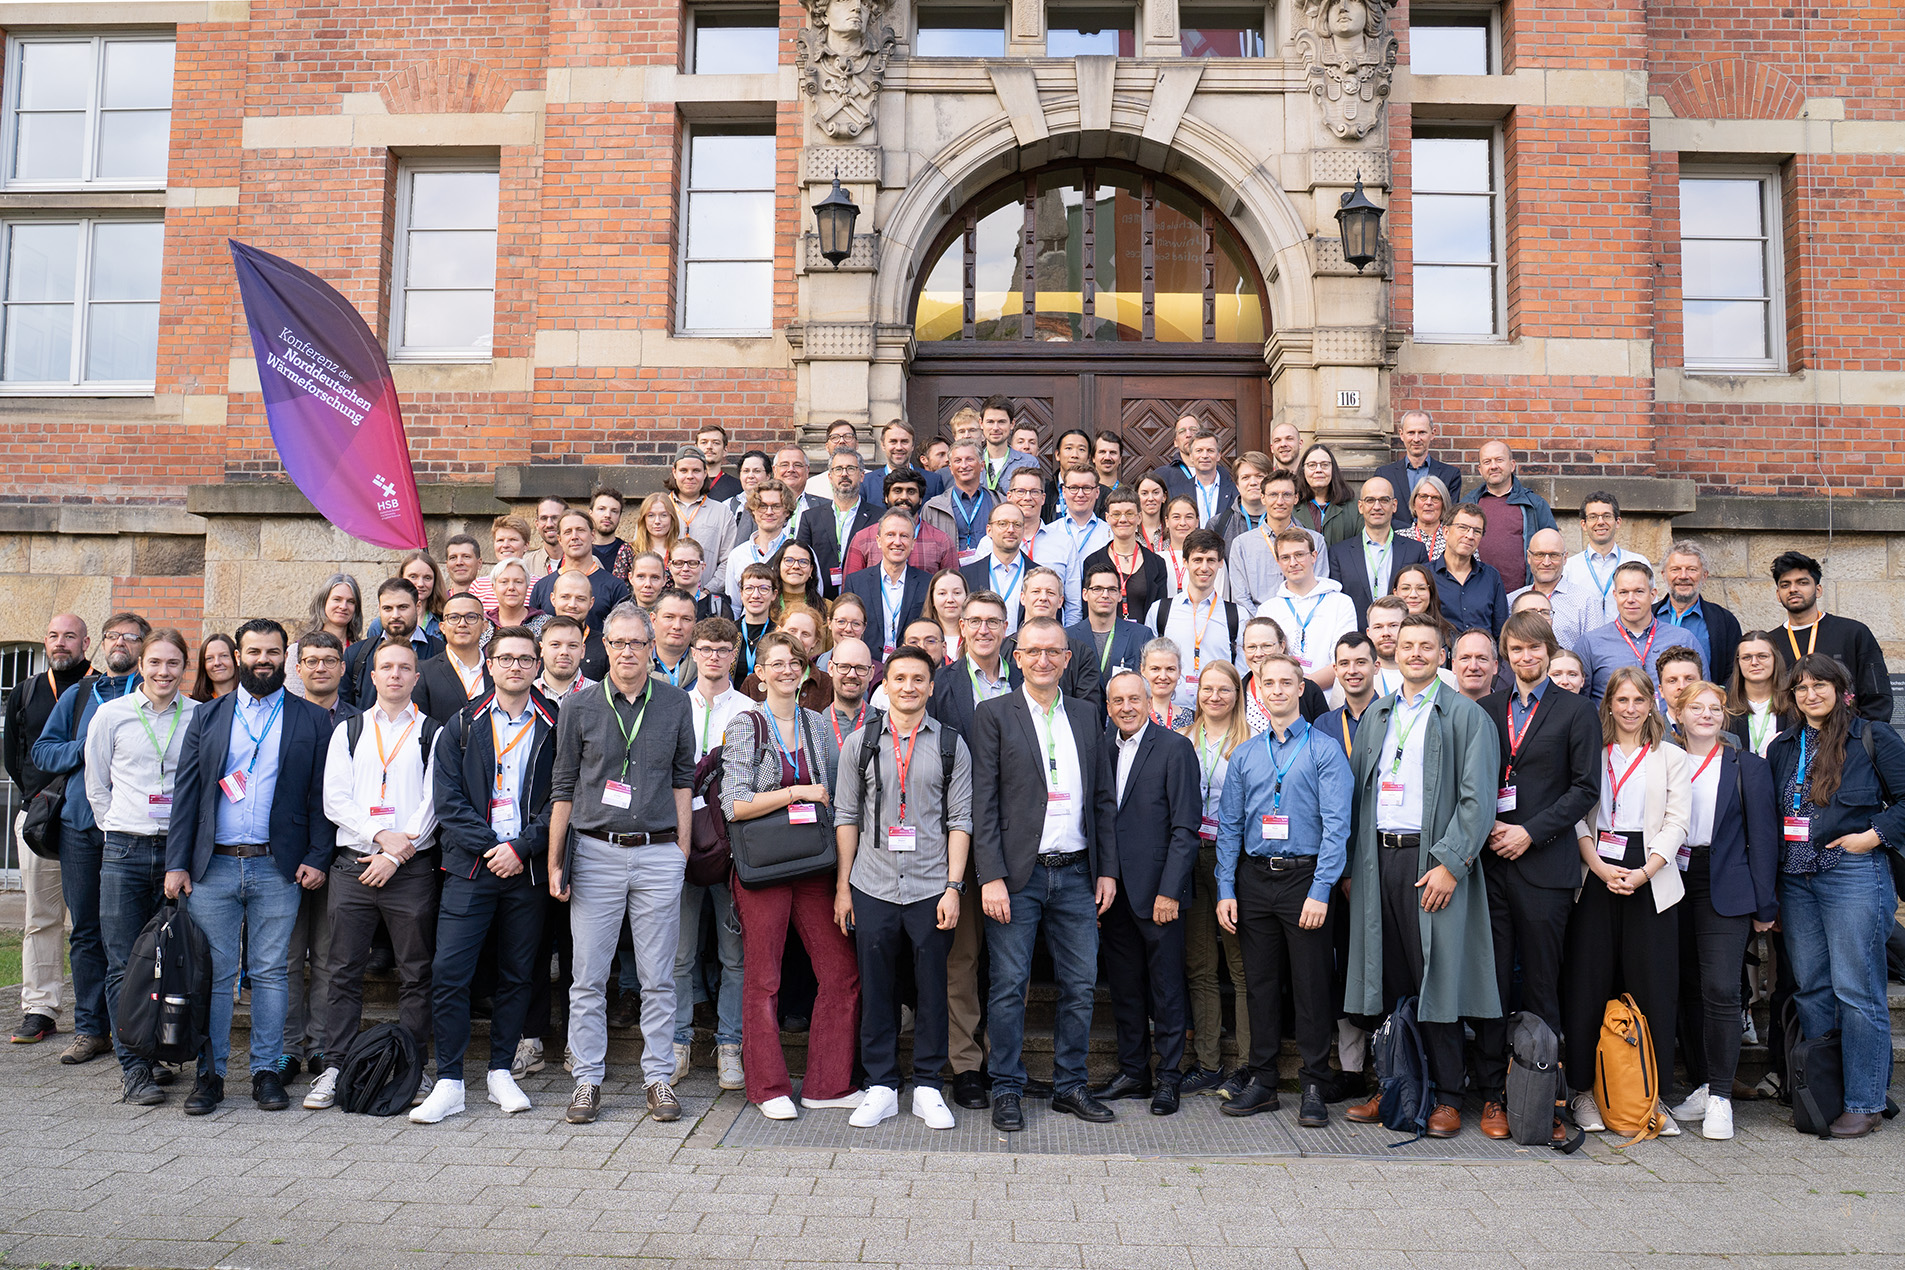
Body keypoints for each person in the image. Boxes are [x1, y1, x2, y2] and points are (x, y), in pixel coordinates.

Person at [163, 618, 333, 1115]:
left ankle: (265, 1072)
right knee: (214, 975)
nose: (264, 660)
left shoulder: (311, 719)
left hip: (277, 868)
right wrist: (177, 863)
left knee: (272, 973)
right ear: (238, 656)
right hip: (212, 867)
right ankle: (210, 1075)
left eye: (273, 652)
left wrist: (316, 857)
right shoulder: (208, 716)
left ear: (286, 658)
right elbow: (187, 794)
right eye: (254, 651)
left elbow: (322, 796)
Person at [1343, 614, 1501, 1139]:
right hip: (1378, 861)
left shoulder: (1465, 716)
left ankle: (1449, 1097)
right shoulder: (1378, 714)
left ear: (1442, 655)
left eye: (1426, 646)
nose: (1414, 653)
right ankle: (1394, 1086)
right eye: (1406, 645)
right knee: (1390, 979)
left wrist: (1450, 865)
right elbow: (1359, 795)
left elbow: (1478, 803)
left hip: (1431, 863)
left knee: (1440, 981)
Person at [546, 602, 696, 1126]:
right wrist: (554, 861)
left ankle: (657, 1077)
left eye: (637, 642)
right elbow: (563, 786)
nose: (628, 651)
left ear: (652, 645)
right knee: (588, 976)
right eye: (618, 643)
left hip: (657, 854)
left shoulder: (676, 703)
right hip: (595, 852)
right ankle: (586, 1079)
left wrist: (681, 850)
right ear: (603, 647)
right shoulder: (580, 706)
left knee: (658, 977)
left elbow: (684, 779)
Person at [971, 616, 1121, 1131]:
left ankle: (1070, 1085)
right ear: (1017, 657)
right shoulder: (993, 714)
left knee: (1080, 985)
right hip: (1018, 875)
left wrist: (1108, 871)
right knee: (1010, 984)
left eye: (1053, 652)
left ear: (1066, 658)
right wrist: (989, 875)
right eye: (1033, 651)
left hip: (1079, 872)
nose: (1042, 660)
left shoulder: (1085, 714)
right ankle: (1007, 1086)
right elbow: (983, 803)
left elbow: (1102, 799)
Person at [409, 625, 558, 1123]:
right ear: (489, 665)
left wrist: (521, 848)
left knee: (518, 975)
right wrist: (495, 848)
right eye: (505, 658)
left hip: (526, 870)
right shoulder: (461, 725)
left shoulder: (556, 725)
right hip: (471, 868)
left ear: (537, 666)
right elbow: (447, 801)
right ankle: (450, 1079)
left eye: (524, 659)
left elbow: (563, 799)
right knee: (451, 972)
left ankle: (499, 1071)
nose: (515, 666)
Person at [718, 631, 862, 1121]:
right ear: (759, 674)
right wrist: (796, 791)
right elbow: (734, 805)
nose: (785, 670)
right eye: (775, 663)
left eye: (794, 662)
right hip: (763, 870)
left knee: (841, 972)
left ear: (805, 672)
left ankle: (827, 1083)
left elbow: (836, 799)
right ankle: (766, 1086)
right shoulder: (746, 725)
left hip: (814, 866)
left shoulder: (817, 726)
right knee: (764, 978)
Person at [1471, 611, 1600, 1142]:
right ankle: (1493, 1094)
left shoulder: (1576, 712)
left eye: (1535, 649)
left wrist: (1529, 832)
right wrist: (1493, 827)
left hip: (1544, 863)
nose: (1527, 658)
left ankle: (1544, 1095)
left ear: (1549, 651)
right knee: (1493, 982)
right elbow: (1474, 779)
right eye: (1517, 651)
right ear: (1506, 656)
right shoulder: (1486, 707)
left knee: (1543, 983)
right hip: (1492, 863)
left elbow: (1584, 789)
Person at [1765, 655, 1905, 1138]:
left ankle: (1865, 1099)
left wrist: (1874, 835)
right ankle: (1827, 1093)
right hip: (1797, 879)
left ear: (1841, 690)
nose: (1810, 694)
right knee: (1813, 990)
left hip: (1852, 872)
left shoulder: (1872, 738)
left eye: (1819, 685)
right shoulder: (1783, 746)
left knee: (1856, 988)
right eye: (1800, 688)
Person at [832, 644, 970, 1130]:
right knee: (878, 987)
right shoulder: (861, 742)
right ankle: (882, 1085)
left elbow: (960, 820)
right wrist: (844, 887)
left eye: (918, 679)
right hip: (872, 884)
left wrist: (954, 887)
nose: (908, 687)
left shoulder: (951, 743)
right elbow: (846, 814)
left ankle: (929, 1085)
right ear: (883, 685)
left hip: (932, 885)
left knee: (933, 987)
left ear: (931, 687)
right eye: (899, 679)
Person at [1214, 652, 1353, 1123]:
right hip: (1254, 880)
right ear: (1259, 692)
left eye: (1285, 682)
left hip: (1304, 879)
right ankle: (1264, 1080)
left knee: (1312, 986)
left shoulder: (1323, 749)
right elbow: (1229, 826)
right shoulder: (1247, 754)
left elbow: (1338, 826)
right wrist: (1225, 889)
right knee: (1260, 985)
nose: (1276, 689)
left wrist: (1321, 889)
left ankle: (1314, 1081)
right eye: (1267, 683)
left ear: (1300, 689)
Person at [308, 638, 441, 1115]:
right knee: (342, 971)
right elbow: (335, 800)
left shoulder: (433, 732)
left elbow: (434, 803)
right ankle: (336, 1066)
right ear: (372, 674)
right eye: (387, 667)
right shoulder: (349, 730)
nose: (395, 675)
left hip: (410, 872)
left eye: (405, 668)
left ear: (416, 677)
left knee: (415, 972)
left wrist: (397, 855)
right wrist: (381, 836)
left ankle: (412, 1066)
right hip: (353, 866)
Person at [1561, 666, 1691, 1136]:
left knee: (1653, 987)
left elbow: (1678, 823)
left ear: (1651, 703)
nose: (1631, 709)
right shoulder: (1592, 753)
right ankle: (1582, 1092)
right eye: (1622, 700)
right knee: (1587, 985)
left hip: (1649, 874)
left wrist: (1643, 872)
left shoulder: (1671, 757)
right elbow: (1577, 813)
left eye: (1639, 700)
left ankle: (1651, 1096)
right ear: (1608, 704)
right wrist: (1596, 865)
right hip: (1595, 868)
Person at [30, 609, 150, 1067]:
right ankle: (89, 1029)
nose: (121, 643)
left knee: (137, 934)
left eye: (131, 637)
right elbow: (43, 749)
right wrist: (93, 744)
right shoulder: (82, 695)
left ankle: (136, 1028)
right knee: (86, 931)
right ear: (101, 644)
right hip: (83, 826)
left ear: (144, 647)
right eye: (112, 636)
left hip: (136, 829)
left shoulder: (153, 694)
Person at [84, 628, 197, 1105]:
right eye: (155, 663)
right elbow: (97, 783)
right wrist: (115, 827)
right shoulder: (112, 715)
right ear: (141, 664)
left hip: (178, 852)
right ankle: (133, 1068)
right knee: (122, 962)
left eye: (173, 664)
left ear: (183, 668)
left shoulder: (198, 715)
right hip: (125, 850)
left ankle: (156, 1050)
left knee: (171, 959)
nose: (163, 672)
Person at [1665, 680, 1779, 1141]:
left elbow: (1765, 838)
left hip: (1723, 880)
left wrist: (1764, 902)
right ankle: (1703, 1083)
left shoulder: (1746, 766)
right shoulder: (1665, 759)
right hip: (1670, 875)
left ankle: (1721, 1101)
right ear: (1680, 714)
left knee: (1719, 987)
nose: (1707, 715)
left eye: (1715, 708)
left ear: (1725, 717)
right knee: (1689, 987)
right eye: (1698, 708)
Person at [1092, 669, 1201, 1117]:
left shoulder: (1175, 748)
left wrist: (1170, 891)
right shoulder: (1100, 749)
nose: (1126, 707)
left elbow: (1185, 828)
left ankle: (1169, 1077)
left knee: (1167, 989)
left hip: (1159, 896)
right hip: (1114, 893)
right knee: (1125, 988)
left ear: (1148, 700)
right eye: (1117, 701)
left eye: (1133, 699)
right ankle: (1134, 1071)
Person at [924, 595, 1015, 1107]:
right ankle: (965, 1065)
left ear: (1007, 627)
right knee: (961, 960)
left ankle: (1006, 1059)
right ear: (959, 627)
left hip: (1016, 841)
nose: (983, 629)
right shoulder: (944, 684)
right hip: (956, 840)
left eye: (992, 621)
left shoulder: (1026, 678)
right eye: (973, 621)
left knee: (1011, 959)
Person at [3, 612, 92, 1045]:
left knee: (91, 920)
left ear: (86, 643)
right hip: (40, 820)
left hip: (90, 820)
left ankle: (99, 1012)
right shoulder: (26, 691)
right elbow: (14, 755)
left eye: (70, 637)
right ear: (44, 642)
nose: (61, 643)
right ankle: (40, 1007)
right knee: (41, 916)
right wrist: (39, 800)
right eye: (54, 636)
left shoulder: (102, 687)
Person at [670, 617, 749, 1091]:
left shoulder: (749, 711)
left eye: (723, 649)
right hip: (678, 844)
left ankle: (730, 1045)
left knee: (733, 955)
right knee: (678, 955)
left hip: (729, 848)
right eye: (706, 648)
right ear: (694, 652)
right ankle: (677, 1044)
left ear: (735, 654)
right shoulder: (672, 705)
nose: (715, 657)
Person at [1175, 660, 1252, 1096]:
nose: (1215, 697)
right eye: (1208, 689)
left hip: (1234, 861)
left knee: (1240, 967)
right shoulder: (1184, 739)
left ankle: (1246, 1064)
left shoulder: (1250, 744)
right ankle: (1208, 1063)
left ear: (1236, 695)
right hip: (1192, 857)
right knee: (1200, 964)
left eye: (1225, 689)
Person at [282, 630, 354, 1074]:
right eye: (312, 661)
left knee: (329, 957)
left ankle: (322, 1045)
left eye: (330, 660)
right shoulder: (282, 718)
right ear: (299, 668)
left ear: (343, 667)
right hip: (288, 858)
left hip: (340, 854)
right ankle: (287, 1045)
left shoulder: (360, 722)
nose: (321, 668)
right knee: (286, 959)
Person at [1769, 551, 1892, 722]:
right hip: (1791, 742)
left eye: (1802, 582)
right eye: (1785, 585)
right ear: (1778, 594)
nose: (1793, 589)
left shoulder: (1853, 633)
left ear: (1818, 590)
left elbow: (1877, 699)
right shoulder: (1769, 643)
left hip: (1846, 739)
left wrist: (1860, 741)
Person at [1575, 561, 1703, 701]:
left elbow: (1701, 693)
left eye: (1639, 592)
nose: (1631, 599)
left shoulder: (1683, 639)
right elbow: (1579, 700)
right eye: (1624, 592)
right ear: (1615, 595)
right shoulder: (1590, 643)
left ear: (1653, 594)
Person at [1146, 528, 1242, 712]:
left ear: (1221, 563)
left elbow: (1241, 673)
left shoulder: (1236, 615)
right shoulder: (1160, 611)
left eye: (1211, 560)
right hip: (1171, 713)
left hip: (1218, 711)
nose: (1204, 568)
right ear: (1185, 562)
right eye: (1197, 560)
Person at [1262, 529, 1357, 694]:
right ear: (1278, 562)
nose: (1293, 563)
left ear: (1313, 556)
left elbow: (1344, 660)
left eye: (1299, 555)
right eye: (1285, 557)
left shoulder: (1341, 603)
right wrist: (1291, 690)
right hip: (1281, 699)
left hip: (1328, 699)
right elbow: (1265, 663)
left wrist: (1300, 688)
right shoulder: (1268, 609)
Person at [1327, 475, 1427, 627]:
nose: (1377, 506)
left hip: (1403, 638)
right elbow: (1335, 605)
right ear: (1360, 507)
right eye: (1370, 500)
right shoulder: (1339, 554)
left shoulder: (1416, 550)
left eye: (1384, 500)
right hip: (1357, 641)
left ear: (1394, 505)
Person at [1228, 469, 1327, 612]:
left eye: (1286, 495)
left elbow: (1319, 588)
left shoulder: (1316, 541)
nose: (1280, 502)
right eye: (1273, 495)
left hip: (1304, 621)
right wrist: (1263, 626)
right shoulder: (1242, 545)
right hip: (1259, 625)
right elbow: (1240, 598)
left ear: (1296, 498)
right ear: (1263, 498)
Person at [1650, 541, 1742, 692]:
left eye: (1691, 569)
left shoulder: (1724, 621)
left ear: (1704, 576)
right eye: (1675, 569)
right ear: (1664, 575)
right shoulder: (1648, 617)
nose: (1683, 576)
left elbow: (1733, 673)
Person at [529, 509, 635, 635]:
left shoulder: (615, 586)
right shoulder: (542, 587)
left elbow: (623, 633)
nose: (574, 537)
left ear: (592, 535)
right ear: (560, 539)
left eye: (580, 530)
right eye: (568, 532)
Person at [843, 510, 932, 658]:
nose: (897, 542)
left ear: (913, 543)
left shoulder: (927, 583)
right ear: (878, 540)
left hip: (911, 664)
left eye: (904, 536)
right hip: (867, 665)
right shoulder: (856, 582)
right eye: (890, 535)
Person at [1031, 464, 1112, 625]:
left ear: (1097, 492)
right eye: (1074, 488)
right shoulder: (1047, 534)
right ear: (1064, 491)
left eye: (1087, 488)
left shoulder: (1110, 534)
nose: (1080, 494)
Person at [1471, 440, 1557, 591]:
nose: (1493, 466)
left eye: (1499, 460)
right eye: (1487, 462)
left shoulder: (1535, 505)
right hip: (1478, 596)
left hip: (1524, 596)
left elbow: (1553, 551)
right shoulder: (1468, 505)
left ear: (1512, 465)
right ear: (1480, 469)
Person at [798, 447, 878, 600]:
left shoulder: (879, 518)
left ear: (862, 476)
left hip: (863, 599)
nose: (844, 474)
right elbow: (803, 559)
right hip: (820, 600)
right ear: (830, 477)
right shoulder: (810, 518)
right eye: (838, 469)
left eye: (851, 468)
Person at [1561, 491, 1648, 631]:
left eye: (1606, 516)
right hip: (1584, 647)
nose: (1600, 522)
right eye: (1593, 517)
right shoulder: (1569, 567)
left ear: (1618, 522)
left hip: (1629, 645)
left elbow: (1649, 608)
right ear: (1583, 524)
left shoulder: (1638, 562)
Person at [844, 469, 957, 576]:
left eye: (911, 491)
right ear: (886, 497)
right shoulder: (862, 539)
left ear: (921, 499)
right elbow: (851, 591)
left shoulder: (942, 541)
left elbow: (954, 587)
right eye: (897, 491)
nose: (904, 497)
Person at [1080, 489, 1167, 626]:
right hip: (1104, 640)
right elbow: (1087, 610)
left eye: (1129, 514)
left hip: (1145, 641)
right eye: (1116, 514)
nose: (1123, 519)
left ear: (1139, 517)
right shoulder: (1093, 561)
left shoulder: (1156, 563)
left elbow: (1160, 611)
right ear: (1107, 518)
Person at [1372, 409, 1463, 529]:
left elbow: (1449, 516)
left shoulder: (1450, 475)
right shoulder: (1384, 475)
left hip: (1435, 544)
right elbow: (1380, 513)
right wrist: (1411, 533)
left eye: (1422, 432)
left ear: (1433, 433)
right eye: (1411, 432)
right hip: (1395, 542)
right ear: (1401, 434)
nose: (1416, 439)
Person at [1508, 528, 1594, 653]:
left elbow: (1595, 652)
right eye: (1539, 555)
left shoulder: (1585, 601)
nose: (1546, 562)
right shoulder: (1511, 601)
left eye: (1554, 555)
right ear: (1529, 557)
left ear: (1565, 558)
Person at [1432, 504, 1511, 639]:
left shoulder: (1491, 577)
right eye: (1463, 528)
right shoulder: (1426, 575)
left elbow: (1501, 632)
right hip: (1442, 658)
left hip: (1484, 658)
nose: (1470, 536)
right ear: (1445, 532)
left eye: (1477, 531)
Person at [413, 592, 492, 724]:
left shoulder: (498, 669)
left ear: (484, 626)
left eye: (471, 617)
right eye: (454, 617)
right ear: (442, 627)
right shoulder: (424, 672)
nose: (462, 623)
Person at [1239, 617, 1330, 729]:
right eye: (1251, 647)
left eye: (1266, 646)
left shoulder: (1309, 691)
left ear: (1282, 646)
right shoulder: (1234, 693)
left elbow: (1324, 736)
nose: (1258, 653)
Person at [668, 444, 740, 583]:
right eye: (683, 470)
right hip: (663, 599)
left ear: (705, 473)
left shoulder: (722, 513)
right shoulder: (658, 510)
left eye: (696, 470)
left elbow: (728, 561)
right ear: (674, 472)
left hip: (704, 596)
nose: (690, 476)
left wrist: (708, 591)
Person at [1070, 563, 1152, 681]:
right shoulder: (1068, 637)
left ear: (1120, 595)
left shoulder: (1140, 636)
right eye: (1097, 589)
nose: (1105, 595)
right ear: (1085, 594)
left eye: (1112, 590)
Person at [960, 502, 1032, 634]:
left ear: (1023, 530)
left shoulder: (1037, 575)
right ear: (989, 530)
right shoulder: (967, 575)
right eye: (1002, 524)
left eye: (1017, 524)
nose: (1010, 529)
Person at [920, 439, 995, 566]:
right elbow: (924, 553)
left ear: (982, 465)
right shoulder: (932, 508)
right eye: (957, 461)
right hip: (949, 577)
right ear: (950, 468)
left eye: (970, 459)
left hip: (991, 576)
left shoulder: (1000, 503)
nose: (964, 465)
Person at [286, 575, 363, 698]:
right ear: (323, 602)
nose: (343, 606)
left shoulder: (362, 653)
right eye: (337, 599)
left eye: (350, 601)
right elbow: (294, 700)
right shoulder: (297, 650)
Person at [723, 478, 796, 603]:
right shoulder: (738, 554)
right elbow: (734, 605)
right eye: (762, 506)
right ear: (753, 510)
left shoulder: (798, 552)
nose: (769, 512)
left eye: (776, 506)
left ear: (787, 512)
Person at [1726, 631, 1790, 757]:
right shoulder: (1725, 706)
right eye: (1746, 657)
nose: (1754, 662)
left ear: (1775, 659)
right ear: (1738, 662)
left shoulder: (1793, 703)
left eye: (1762, 656)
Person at [864, 419, 945, 504]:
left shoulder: (933, 481)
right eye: (893, 441)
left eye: (904, 441)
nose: (899, 447)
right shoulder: (867, 483)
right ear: (883, 445)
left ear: (912, 445)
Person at [1294, 443, 1357, 546]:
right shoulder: (1292, 507)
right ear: (1303, 470)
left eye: (1324, 465)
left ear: (1333, 469)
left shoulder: (1354, 508)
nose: (1318, 470)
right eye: (1312, 465)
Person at [978, 395, 1040, 496]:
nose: (995, 428)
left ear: (1012, 424)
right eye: (990, 422)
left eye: (1001, 422)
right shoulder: (971, 462)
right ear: (981, 423)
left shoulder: (1028, 463)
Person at [731, 563, 779, 681]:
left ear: (774, 594)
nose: (756, 595)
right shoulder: (729, 632)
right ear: (741, 594)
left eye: (763, 589)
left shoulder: (779, 634)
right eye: (749, 588)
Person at [648, 588, 701, 692]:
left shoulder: (708, 666)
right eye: (669, 617)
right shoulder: (634, 664)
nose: (677, 626)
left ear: (694, 623)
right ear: (653, 620)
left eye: (686, 619)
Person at [1141, 639, 1196, 732]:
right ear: (1142, 670)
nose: (1163, 676)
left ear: (1179, 672)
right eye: (1155, 669)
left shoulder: (1191, 718)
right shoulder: (1132, 714)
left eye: (1170, 669)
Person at [1038, 428, 1092, 521]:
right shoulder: (1044, 490)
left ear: (1088, 458)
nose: (1074, 455)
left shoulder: (1102, 493)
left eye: (1081, 449)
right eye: (1069, 448)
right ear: (1057, 455)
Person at [1398, 474, 1452, 565]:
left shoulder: (1454, 538)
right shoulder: (1398, 538)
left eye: (1435, 498)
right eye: (1423, 497)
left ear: (1443, 505)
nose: (1428, 502)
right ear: (1414, 503)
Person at [803, 418, 862, 500]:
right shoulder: (811, 485)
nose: (842, 441)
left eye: (848, 436)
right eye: (835, 437)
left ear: (857, 444)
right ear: (827, 446)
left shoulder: (872, 481)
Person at [489, 559, 546, 636]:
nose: (511, 587)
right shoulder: (483, 626)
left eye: (518, 582)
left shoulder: (545, 625)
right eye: (504, 582)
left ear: (527, 587)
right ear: (494, 588)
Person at [1151, 414, 1202, 496]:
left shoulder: (1219, 473)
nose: (1188, 435)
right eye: (1182, 431)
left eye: (1193, 429)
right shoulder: (1161, 475)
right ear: (1175, 442)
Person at [923, 568, 968, 662]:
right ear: (932, 599)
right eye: (942, 593)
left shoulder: (977, 636)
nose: (950, 599)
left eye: (957, 593)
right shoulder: (921, 639)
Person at [631, 492, 682, 571]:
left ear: (672, 519)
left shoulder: (681, 552)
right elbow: (618, 583)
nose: (657, 521)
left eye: (663, 515)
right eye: (651, 515)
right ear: (644, 519)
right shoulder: (630, 551)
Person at [1654, 645, 1704, 723]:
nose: (1682, 686)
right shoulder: (1648, 735)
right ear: (1661, 691)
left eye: (1689, 679)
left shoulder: (1724, 735)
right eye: (1672, 681)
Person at [524, 496, 569, 578]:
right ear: (537, 524)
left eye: (555, 518)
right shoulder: (525, 564)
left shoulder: (588, 561)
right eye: (544, 518)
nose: (549, 524)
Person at [697, 423, 745, 502]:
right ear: (696, 448)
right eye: (704, 442)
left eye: (716, 443)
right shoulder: (685, 483)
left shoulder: (738, 487)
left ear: (725, 451)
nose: (709, 446)